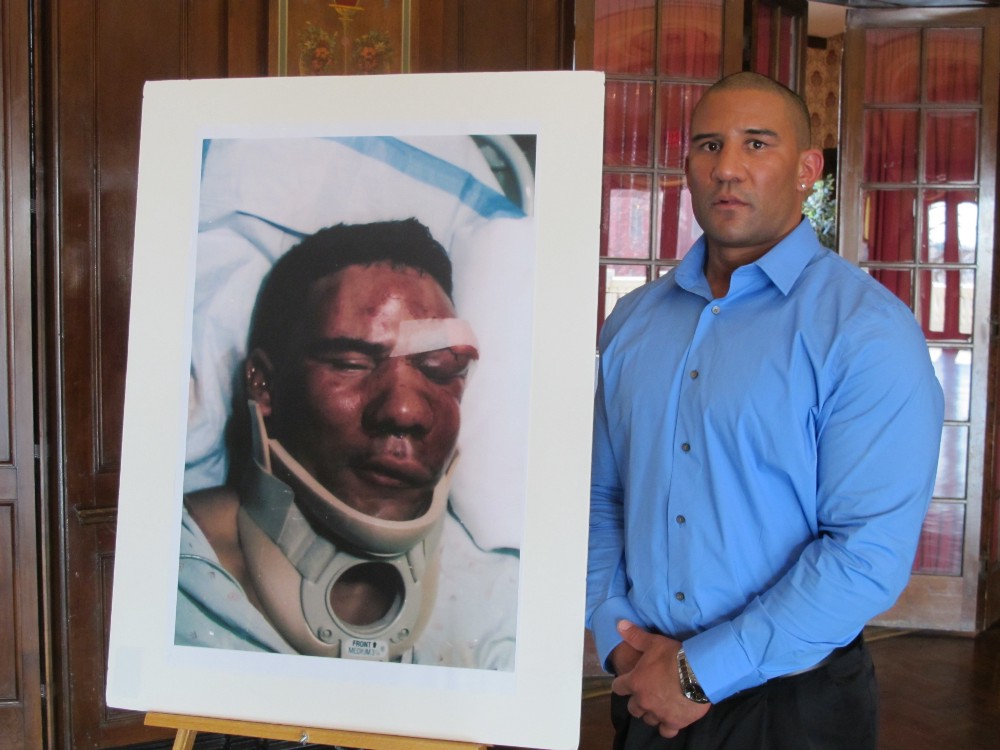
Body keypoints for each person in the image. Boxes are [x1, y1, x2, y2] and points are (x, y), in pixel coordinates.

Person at [586, 72, 944, 749]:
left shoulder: (865, 332)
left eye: (756, 144)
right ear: (686, 165)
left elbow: (865, 553)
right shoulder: (631, 324)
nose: (727, 168)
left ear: (809, 168)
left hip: (793, 705)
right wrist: (617, 637)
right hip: (644, 682)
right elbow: (600, 494)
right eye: (708, 145)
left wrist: (699, 674)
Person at [175, 218, 518, 670]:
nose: (404, 411)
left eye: (438, 368)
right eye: (352, 363)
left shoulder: (502, 608)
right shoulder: (165, 572)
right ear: (264, 384)